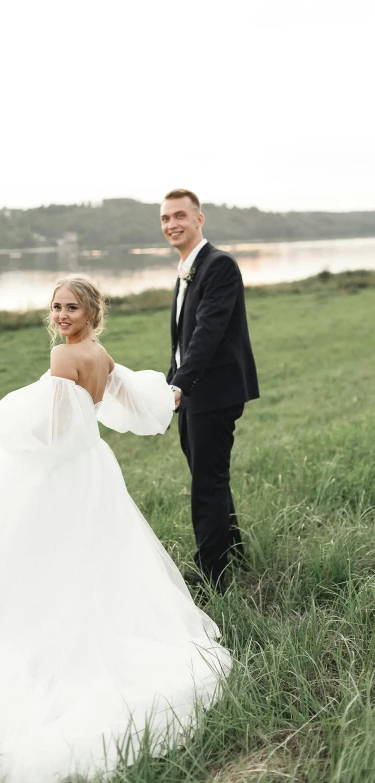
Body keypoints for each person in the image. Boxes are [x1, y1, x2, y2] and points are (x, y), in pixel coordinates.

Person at [0, 275, 231, 783]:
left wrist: (9, 429)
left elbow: (53, 431)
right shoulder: (100, 353)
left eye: (71, 307)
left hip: (65, 469)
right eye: (57, 307)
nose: (62, 315)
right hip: (94, 466)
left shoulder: (64, 358)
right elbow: (131, 405)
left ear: (91, 311)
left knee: (37, 549)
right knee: (88, 553)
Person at [161, 189, 259, 591]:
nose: (172, 224)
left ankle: (210, 576)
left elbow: (208, 333)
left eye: (180, 216)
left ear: (200, 219)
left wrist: (180, 385)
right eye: (166, 218)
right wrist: (173, 380)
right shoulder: (187, 266)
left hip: (213, 391)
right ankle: (232, 550)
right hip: (195, 392)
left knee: (206, 483)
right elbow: (183, 339)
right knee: (211, 476)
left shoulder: (219, 265)